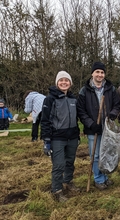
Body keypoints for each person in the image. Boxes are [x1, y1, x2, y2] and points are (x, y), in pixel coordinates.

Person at [77, 61, 120, 190]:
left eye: (102, 72)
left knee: (106, 154)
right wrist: (90, 124)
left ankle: (105, 177)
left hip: (108, 129)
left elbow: (117, 104)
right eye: (97, 72)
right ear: (92, 73)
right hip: (93, 130)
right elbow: (81, 110)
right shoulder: (85, 90)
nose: (100, 75)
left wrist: (112, 114)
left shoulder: (110, 89)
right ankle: (98, 179)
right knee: (95, 155)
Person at [40, 71, 80, 202]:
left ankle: (68, 181)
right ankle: (56, 190)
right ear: (57, 83)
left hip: (72, 137)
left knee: (70, 162)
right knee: (58, 165)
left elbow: (76, 118)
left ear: (70, 83)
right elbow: (45, 121)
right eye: (61, 80)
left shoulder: (74, 99)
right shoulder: (50, 99)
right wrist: (46, 140)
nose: (64, 82)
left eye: (66, 80)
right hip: (57, 138)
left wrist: (78, 135)